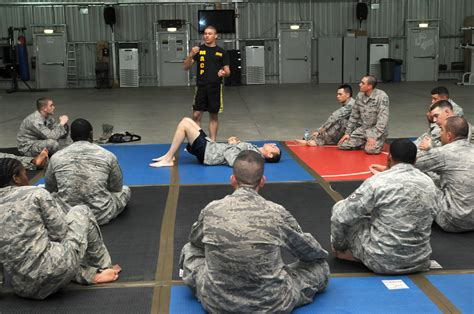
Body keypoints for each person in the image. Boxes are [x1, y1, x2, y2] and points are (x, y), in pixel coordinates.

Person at [179, 150, 330, 312]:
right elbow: (309, 251)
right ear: (263, 181)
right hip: (272, 304)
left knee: (189, 250)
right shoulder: (276, 213)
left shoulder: (212, 209)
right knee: (320, 266)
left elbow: (195, 241)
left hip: (217, 303)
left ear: (232, 180)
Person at [0, 158, 121, 299]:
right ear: (16, 179)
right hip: (56, 271)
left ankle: (84, 274)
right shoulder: (36, 194)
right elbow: (60, 232)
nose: (27, 177)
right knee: (81, 211)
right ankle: (103, 268)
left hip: (24, 288)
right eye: (24, 173)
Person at [332, 139, 438, 274]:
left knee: (343, 210)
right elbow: (433, 213)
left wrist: (339, 246)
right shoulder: (429, 182)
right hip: (419, 260)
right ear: (415, 160)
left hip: (382, 263)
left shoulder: (377, 181)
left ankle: (345, 253)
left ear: (389, 157)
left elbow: (340, 215)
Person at [45, 118, 131, 225]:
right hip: (101, 214)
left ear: (71, 136)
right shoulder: (107, 155)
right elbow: (116, 188)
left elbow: (50, 188)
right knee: (125, 190)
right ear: (91, 134)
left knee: (49, 197)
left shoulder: (56, 157)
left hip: (68, 215)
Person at [415, 116, 474, 232]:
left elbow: (411, 163)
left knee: (421, 177)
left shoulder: (444, 152)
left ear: (449, 136)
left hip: (453, 221)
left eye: (441, 130)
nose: (440, 133)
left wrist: (388, 169)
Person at [149, 117, 281, 167]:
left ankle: (168, 158)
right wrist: (235, 142)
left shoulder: (255, 156)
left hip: (208, 154)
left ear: (269, 155)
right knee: (188, 120)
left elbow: (232, 160)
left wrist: (232, 144)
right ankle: (169, 156)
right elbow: (237, 150)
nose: (273, 145)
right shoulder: (255, 150)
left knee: (184, 124)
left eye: (274, 148)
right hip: (211, 147)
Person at [183, 25, 230, 141]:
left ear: (215, 36)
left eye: (210, 33)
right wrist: (190, 55)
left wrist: (224, 73)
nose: (207, 35)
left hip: (215, 87)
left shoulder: (222, 52)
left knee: (213, 115)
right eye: (205, 33)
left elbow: (228, 71)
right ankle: (198, 142)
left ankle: (212, 142)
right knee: (196, 115)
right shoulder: (199, 50)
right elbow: (186, 67)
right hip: (201, 87)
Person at [337, 75, 389, 154]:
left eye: (362, 83)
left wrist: (373, 136)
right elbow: (354, 116)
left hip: (375, 130)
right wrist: (348, 133)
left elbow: (383, 120)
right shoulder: (360, 95)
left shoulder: (382, 97)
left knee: (370, 150)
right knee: (342, 145)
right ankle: (363, 142)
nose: (359, 84)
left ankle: (372, 142)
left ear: (369, 86)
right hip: (363, 129)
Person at [415, 86, 464, 151]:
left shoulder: (456, 111)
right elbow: (432, 128)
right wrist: (429, 119)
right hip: (432, 135)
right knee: (410, 146)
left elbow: (442, 134)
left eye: (435, 99)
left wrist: (430, 144)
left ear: (444, 98)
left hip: (440, 140)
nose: (432, 101)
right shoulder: (437, 107)